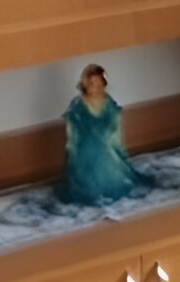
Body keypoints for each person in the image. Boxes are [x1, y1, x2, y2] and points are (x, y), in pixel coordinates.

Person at [55, 64, 139, 205]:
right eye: (91, 83)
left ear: (103, 85)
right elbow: (72, 130)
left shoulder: (108, 102)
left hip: (106, 146)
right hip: (85, 148)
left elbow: (115, 125)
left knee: (110, 165)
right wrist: (72, 149)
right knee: (86, 175)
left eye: (99, 84)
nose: (95, 88)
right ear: (85, 84)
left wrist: (115, 144)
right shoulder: (78, 104)